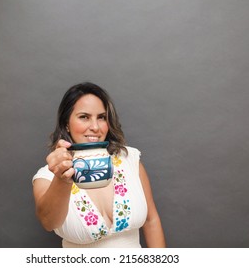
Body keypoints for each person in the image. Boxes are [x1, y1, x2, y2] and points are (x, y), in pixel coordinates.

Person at [32, 82, 166, 248]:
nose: (95, 127)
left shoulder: (129, 159)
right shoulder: (47, 176)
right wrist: (62, 179)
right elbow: (48, 222)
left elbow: (151, 220)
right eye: (84, 117)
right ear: (66, 122)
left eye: (101, 117)